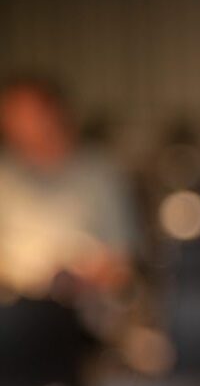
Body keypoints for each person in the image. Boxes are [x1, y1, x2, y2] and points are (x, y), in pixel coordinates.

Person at [0, 76, 137, 299]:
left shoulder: (99, 173)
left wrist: (91, 272)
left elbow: (122, 260)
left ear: (55, 113)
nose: (13, 122)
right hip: (11, 304)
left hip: (82, 306)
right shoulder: (4, 176)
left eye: (25, 113)